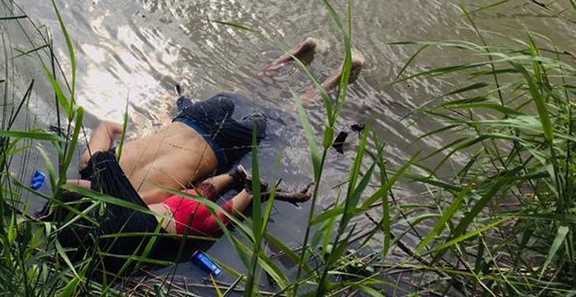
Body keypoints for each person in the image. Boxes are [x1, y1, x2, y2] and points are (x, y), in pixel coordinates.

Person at [46, 39, 364, 270]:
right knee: (250, 90)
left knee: (287, 112)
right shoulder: (93, 162)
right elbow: (110, 126)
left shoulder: (138, 205)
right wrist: (144, 137)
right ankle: (299, 51)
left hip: (219, 147)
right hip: (193, 118)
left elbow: (184, 197)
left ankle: (342, 74)